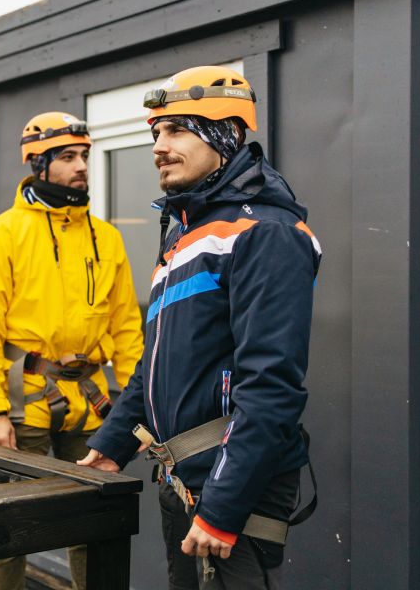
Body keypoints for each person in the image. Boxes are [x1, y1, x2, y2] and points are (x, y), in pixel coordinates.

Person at [78, 65, 321, 590]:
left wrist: (224, 506)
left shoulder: (266, 233)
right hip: (182, 477)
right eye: (155, 133)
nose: (159, 146)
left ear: (226, 133)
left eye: (177, 130)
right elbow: (157, 361)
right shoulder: (187, 237)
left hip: (232, 485)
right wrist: (114, 442)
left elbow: (271, 386)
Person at [0, 111, 144, 590]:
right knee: (9, 527)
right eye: (68, 157)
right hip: (23, 410)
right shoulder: (2, 235)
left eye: (84, 156)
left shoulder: (106, 238)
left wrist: (134, 406)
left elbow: (127, 326)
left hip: (92, 406)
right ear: (38, 164)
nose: (82, 166)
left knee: (92, 521)